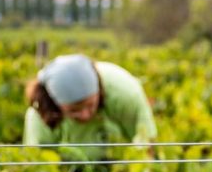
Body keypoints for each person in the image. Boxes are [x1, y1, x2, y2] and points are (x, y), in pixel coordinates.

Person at [24, 54, 157, 160]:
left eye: (91, 105)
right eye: (74, 110)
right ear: (55, 103)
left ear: (99, 91)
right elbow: (38, 161)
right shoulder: (41, 109)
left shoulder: (125, 93)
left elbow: (146, 145)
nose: (85, 114)